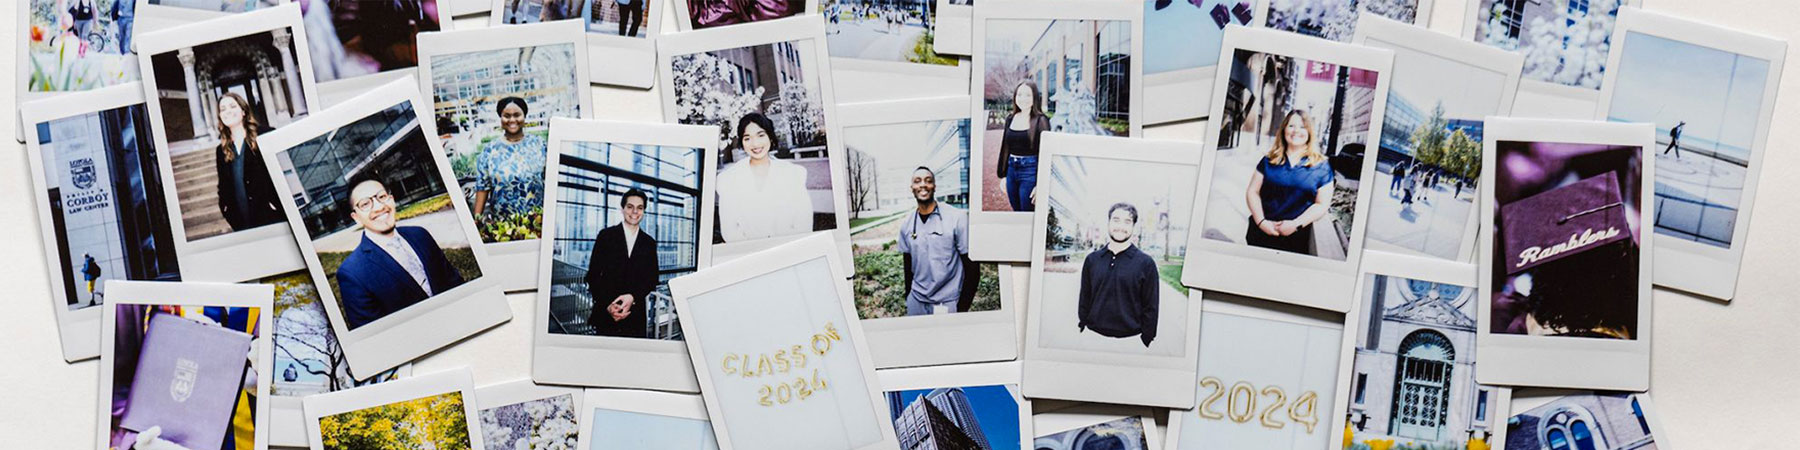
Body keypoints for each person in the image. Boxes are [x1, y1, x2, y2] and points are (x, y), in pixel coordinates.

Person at [336, 177, 467, 329]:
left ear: (391, 199)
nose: (379, 207)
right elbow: (376, 336)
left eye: (382, 197)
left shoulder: (420, 235)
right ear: (356, 217)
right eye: (365, 204)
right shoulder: (352, 273)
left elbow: (454, 283)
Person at [1245, 110, 1335, 255]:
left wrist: (1295, 225)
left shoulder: (1321, 166)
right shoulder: (1269, 160)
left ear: (1310, 132)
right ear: (1284, 130)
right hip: (1261, 234)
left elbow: (1322, 204)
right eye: (1291, 126)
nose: (1296, 131)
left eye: (1302, 127)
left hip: (1296, 240)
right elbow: (1252, 191)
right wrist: (1261, 222)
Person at [715, 113, 813, 242]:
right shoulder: (728, 180)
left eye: (761, 135)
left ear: (770, 137)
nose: (755, 144)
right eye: (747, 138)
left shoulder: (793, 173)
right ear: (742, 143)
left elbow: (803, 222)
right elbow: (730, 231)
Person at [1076, 203, 1160, 347]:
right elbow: (1085, 297)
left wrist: (1146, 337)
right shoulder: (1092, 259)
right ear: (1108, 223)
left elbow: (1151, 306)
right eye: (1116, 220)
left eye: (1127, 222)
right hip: (1093, 337)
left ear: (1133, 227)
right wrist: (1083, 323)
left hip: (1131, 341)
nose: (1120, 226)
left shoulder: (1146, 263)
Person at [897, 167, 978, 315]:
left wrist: (962, 308)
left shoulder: (957, 218)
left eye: (928, 181)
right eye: (917, 181)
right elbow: (907, 264)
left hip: (947, 302)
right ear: (912, 188)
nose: (923, 185)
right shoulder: (906, 224)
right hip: (917, 301)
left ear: (934, 186)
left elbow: (972, 267)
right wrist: (909, 296)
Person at [584, 189, 660, 338]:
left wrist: (633, 296)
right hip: (607, 314)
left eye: (640, 208)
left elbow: (652, 278)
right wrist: (608, 305)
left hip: (635, 316)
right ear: (622, 209)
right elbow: (593, 275)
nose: (634, 212)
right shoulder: (605, 236)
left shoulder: (649, 243)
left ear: (644, 211)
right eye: (630, 206)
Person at [214, 92, 284, 232]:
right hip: (241, 220)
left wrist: (276, 202)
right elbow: (223, 185)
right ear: (220, 116)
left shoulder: (266, 135)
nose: (228, 112)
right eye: (223, 109)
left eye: (233, 106)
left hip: (269, 214)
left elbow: (281, 172)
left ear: (243, 111)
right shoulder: (221, 150)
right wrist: (226, 209)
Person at [472, 97, 547, 226]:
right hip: (504, 228)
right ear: (500, 118)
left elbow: (553, 180)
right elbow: (482, 187)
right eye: (506, 116)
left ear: (524, 116)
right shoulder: (489, 151)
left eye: (517, 115)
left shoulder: (540, 145)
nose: (512, 120)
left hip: (539, 222)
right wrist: (476, 221)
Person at [995, 80, 1049, 212]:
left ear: (1035, 98)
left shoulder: (1041, 120)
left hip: (1030, 171)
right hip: (1012, 170)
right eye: (1019, 95)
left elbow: (1046, 153)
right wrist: (1003, 175)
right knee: (1016, 211)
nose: (1023, 99)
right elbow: (1005, 147)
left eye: (1028, 95)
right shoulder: (1010, 118)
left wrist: (1041, 184)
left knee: (1026, 212)